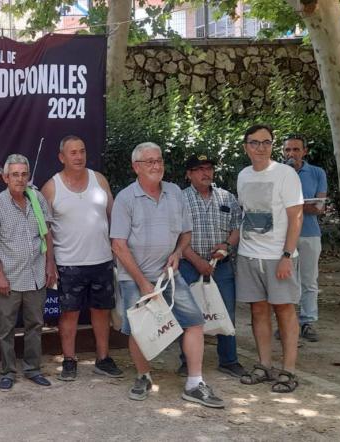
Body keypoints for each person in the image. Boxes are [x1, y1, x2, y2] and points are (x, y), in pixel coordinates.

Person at [110, 142, 224, 408]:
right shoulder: (126, 198)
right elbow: (118, 245)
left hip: (169, 274)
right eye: (149, 161)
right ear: (135, 167)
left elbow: (186, 234)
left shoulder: (175, 192)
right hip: (135, 277)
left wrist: (178, 253)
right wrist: (143, 283)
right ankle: (143, 376)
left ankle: (195, 383)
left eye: (159, 160)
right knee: (139, 330)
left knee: (195, 321)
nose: (156, 165)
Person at [40, 135, 123, 381]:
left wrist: (118, 251)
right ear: (61, 157)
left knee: (101, 311)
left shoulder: (99, 180)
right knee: (69, 314)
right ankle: (68, 360)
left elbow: (115, 217)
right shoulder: (51, 187)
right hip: (68, 263)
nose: (78, 156)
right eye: (73, 152)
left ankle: (103, 358)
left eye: (82, 151)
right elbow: (45, 231)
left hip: (102, 260)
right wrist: (50, 262)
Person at [0, 154, 57, 391]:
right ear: (5, 177)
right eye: (15, 174)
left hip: (36, 275)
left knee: (35, 324)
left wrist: (50, 264)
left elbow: (47, 234)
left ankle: (33, 369)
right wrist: (0, 275)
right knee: (6, 329)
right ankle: (8, 372)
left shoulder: (37, 199)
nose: (20, 179)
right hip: (9, 279)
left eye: (24, 174)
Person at [236, 124, 303, 393]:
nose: (261, 148)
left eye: (266, 142)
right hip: (250, 254)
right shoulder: (242, 175)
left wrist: (287, 254)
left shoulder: (285, 174)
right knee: (258, 310)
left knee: (285, 310)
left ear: (272, 145)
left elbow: (295, 216)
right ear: (246, 147)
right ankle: (264, 364)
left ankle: (289, 371)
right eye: (255, 143)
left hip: (279, 256)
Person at [178, 154, 245, 378]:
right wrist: (197, 261)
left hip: (221, 265)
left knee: (226, 311)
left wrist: (226, 245)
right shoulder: (179, 199)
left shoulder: (227, 197)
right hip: (189, 264)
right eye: (198, 169)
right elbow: (175, 236)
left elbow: (237, 227)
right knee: (188, 314)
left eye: (208, 168)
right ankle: (187, 361)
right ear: (189, 174)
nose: (205, 173)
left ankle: (228, 360)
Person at [284, 134, 327, 342]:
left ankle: (308, 321)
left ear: (304, 151)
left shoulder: (317, 172)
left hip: (309, 234)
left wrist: (293, 205)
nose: (291, 154)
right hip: (283, 236)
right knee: (286, 281)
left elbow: (319, 207)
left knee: (309, 280)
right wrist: (302, 206)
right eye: (287, 150)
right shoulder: (279, 173)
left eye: (295, 149)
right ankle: (287, 322)